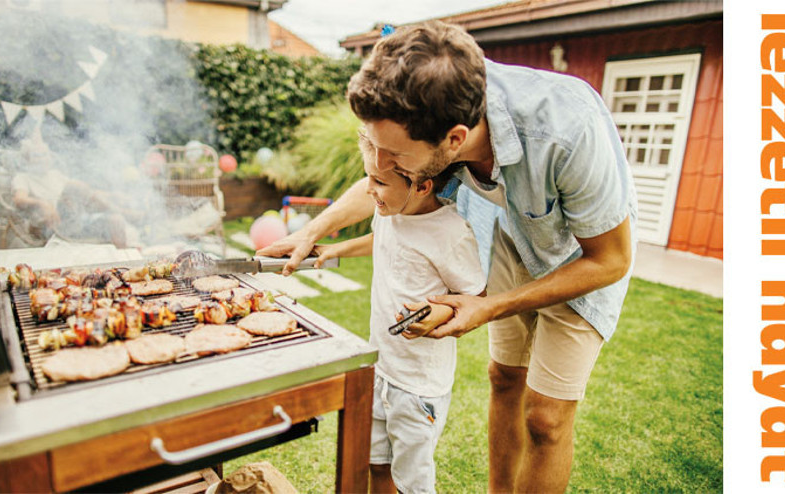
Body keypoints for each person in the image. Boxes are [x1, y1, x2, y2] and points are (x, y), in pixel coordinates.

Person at [258, 20, 637, 492]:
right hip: (510, 234)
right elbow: (385, 182)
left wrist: (489, 305)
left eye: (392, 155)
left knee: (545, 418)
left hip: (581, 255)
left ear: (455, 140)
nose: (377, 164)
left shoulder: (566, 128)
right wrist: (312, 230)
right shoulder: (428, 108)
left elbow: (611, 260)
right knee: (503, 378)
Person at [312, 136, 486, 493]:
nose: (370, 191)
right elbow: (383, 241)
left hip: (418, 386)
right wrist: (336, 248)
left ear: (421, 186)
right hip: (380, 369)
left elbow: (475, 295)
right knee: (377, 464)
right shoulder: (391, 212)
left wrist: (438, 314)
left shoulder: (451, 233)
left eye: (378, 183)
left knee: (412, 483)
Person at [11, 137, 135, 248]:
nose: (43, 158)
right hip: (50, 225)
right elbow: (19, 199)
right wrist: (42, 203)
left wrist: (112, 194)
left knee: (116, 220)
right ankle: (124, 212)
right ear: (27, 160)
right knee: (74, 185)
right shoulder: (23, 177)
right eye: (37, 155)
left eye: (45, 154)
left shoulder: (55, 175)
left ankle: (126, 267)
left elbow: (86, 193)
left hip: (73, 223)